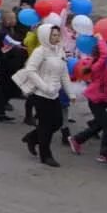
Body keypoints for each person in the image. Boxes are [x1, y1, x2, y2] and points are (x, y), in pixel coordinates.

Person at [13, 22, 70, 167]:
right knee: (45, 125)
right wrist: (44, 87)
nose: (57, 38)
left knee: (57, 122)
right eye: (54, 35)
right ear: (45, 36)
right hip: (40, 94)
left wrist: (70, 92)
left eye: (58, 35)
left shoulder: (59, 50)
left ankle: (32, 138)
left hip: (54, 93)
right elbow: (30, 70)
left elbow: (64, 72)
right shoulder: (40, 51)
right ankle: (46, 155)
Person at [69, 35, 107, 159]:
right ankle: (104, 153)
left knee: (101, 124)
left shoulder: (97, 65)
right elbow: (105, 54)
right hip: (98, 100)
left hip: (102, 99)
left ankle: (77, 139)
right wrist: (101, 39)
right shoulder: (98, 66)